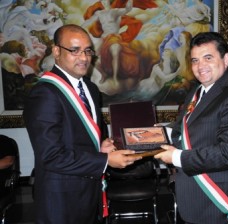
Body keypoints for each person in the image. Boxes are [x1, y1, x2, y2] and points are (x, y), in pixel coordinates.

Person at [23, 24, 141, 224]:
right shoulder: (45, 94)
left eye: (87, 51)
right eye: (74, 50)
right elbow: (51, 156)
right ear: (57, 51)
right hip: (62, 199)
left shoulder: (91, 89)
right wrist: (104, 161)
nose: (84, 58)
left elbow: (88, 136)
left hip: (90, 193)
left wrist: (102, 145)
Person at [155, 32, 228, 223]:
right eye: (195, 60)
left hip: (223, 202)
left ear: (226, 59)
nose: (200, 66)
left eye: (208, 58)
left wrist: (177, 157)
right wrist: (158, 134)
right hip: (198, 202)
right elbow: (185, 128)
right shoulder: (197, 92)